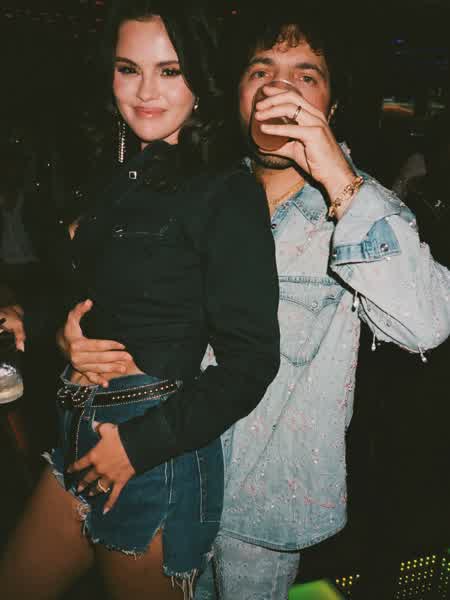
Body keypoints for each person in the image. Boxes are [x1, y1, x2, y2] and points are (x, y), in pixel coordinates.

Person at [22, 6, 450, 599]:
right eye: (261, 71)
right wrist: (65, 333)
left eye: (305, 75)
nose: (279, 89)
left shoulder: (356, 207)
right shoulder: (202, 183)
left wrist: (335, 172)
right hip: (148, 454)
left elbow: (427, 324)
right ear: (236, 93)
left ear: (331, 105)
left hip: (258, 505)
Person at [0, 2, 280, 599]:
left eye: (169, 71)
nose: (146, 90)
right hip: (77, 434)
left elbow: (252, 361)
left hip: (150, 453)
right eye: (129, 68)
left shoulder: (225, 190)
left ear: (200, 80)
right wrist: (46, 324)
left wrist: (136, 446)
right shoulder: (112, 174)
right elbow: (101, 293)